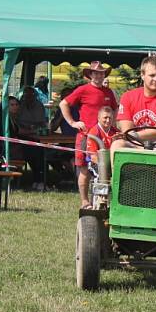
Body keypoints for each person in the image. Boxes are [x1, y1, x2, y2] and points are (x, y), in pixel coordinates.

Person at [60, 60, 118, 209]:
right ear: (91, 75)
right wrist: (73, 122)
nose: (99, 75)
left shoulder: (108, 92)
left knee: (107, 167)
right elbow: (63, 104)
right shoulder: (82, 90)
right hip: (86, 136)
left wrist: (114, 125)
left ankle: (106, 200)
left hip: (105, 135)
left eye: (101, 73)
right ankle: (85, 201)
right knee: (84, 168)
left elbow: (114, 109)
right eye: (96, 73)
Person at [113, 55, 156, 156]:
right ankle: (114, 172)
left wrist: (134, 135)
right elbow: (126, 128)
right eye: (152, 75)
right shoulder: (127, 97)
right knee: (117, 145)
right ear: (142, 75)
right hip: (134, 143)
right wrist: (132, 138)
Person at [0, 96, 46, 191]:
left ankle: (38, 180)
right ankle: (39, 180)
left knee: (37, 149)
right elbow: (14, 135)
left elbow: (18, 133)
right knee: (36, 151)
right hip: (6, 149)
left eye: (16, 104)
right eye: (12, 105)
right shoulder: (3, 119)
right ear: (6, 106)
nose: (15, 107)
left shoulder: (12, 118)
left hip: (14, 146)